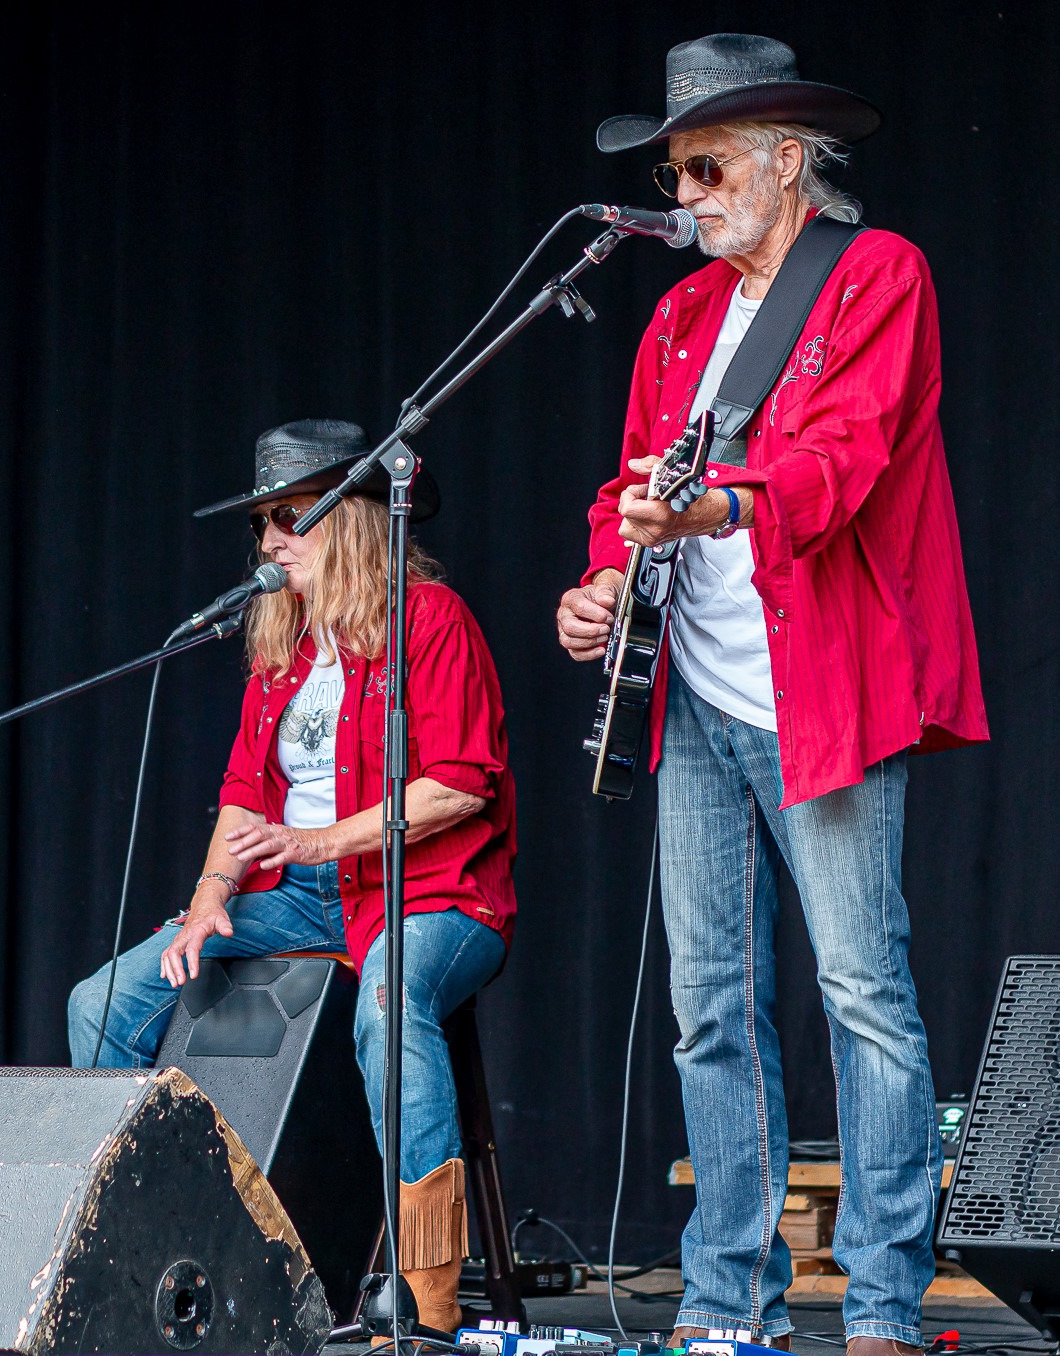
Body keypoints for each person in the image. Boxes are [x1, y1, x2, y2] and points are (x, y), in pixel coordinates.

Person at [555, 34, 987, 1356]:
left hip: (828, 690)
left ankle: (879, 1309)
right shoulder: (677, 318)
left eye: (706, 166)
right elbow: (630, 489)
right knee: (710, 1016)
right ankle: (724, 1304)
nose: (681, 193)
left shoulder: (874, 275)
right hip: (691, 699)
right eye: (675, 171)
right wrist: (597, 584)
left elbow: (846, 460)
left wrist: (717, 506)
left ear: (790, 161)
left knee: (864, 997)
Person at [68, 418, 516, 1333]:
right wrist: (207, 901)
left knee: (390, 1000)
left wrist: (319, 844)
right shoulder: (279, 645)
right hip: (291, 900)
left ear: (349, 522)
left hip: (430, 892)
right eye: (263, 521)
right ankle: (138, 1248)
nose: (270, 540)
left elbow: (461, 787)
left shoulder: (430, 620)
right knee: (101, 1003)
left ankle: (426, 1308)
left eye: (290, 517)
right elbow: (242, 794)